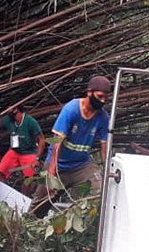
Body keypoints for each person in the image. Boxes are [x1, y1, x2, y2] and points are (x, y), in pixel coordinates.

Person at [30, 76, 112, 217]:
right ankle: (27, 226)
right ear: (89, 92)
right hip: (59, 163)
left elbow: (105, 146)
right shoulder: (71, 109)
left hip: (81, 165)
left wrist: (107, 168)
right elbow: (56, 143)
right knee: (41, 203)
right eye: (100, 96)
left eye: (106, 98)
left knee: (98, 193)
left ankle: (84, 223)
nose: (103, 101)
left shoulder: (103, 117)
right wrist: (51, 173)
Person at [0, 100, 46, 194]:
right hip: (14, 151)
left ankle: (23, 198)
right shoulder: (9, 120)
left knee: (28, 179)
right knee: (1, 173)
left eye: (8, 108)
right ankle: (3, 194)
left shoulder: (30, 121)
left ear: (15, 109)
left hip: (29, 152)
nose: (6, 111)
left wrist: (37, 158)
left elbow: (42, 139)